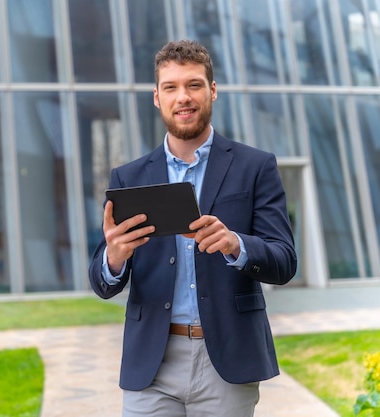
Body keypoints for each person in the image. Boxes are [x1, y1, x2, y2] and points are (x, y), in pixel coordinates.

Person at [88, 39, 298, 417]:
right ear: (157, 97)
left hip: (227, 360)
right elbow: (101, 281)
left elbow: (284, 261)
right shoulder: (129, 177)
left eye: (194, 85)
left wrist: (237, 245)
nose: (182, 97)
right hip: (151, 362)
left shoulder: (256, 167)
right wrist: (114, 259)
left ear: (212, 91)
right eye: (171, 87)